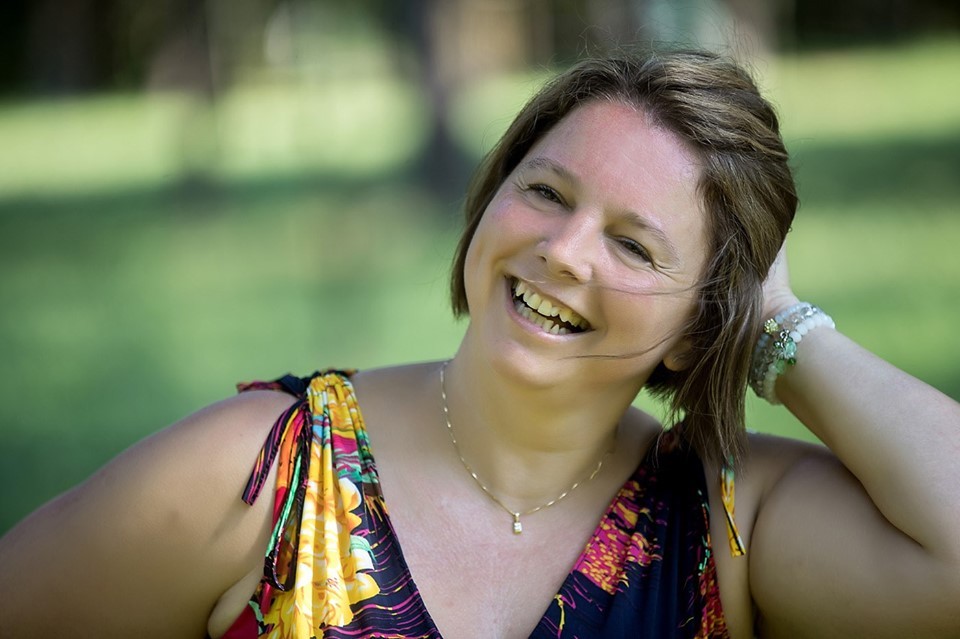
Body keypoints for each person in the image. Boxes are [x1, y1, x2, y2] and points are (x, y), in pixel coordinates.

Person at [0, 48, 958, 639]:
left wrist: (779, 328)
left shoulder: (724, 524)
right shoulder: (257, 479)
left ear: (698, 326)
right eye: (544, 191)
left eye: (633, 245)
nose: (562, 250)